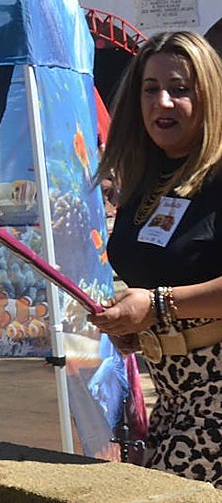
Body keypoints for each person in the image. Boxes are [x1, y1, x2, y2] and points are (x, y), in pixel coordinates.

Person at [89, 30, 222, 488]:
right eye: (151, 89)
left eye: (179, 89)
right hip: (173, 396)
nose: (162, 102)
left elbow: (165, 293)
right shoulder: (148, 174)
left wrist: (158, 306)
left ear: (209, 95)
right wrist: (137, 323)